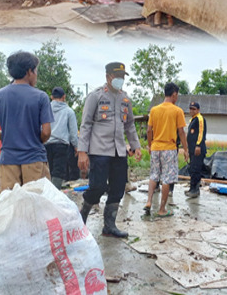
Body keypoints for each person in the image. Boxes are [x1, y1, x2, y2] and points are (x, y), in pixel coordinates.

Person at [78, 62, 142, 238]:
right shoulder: (95, 96)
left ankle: (109, 225)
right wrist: (82, 151)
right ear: (108, 77)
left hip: (119, 152)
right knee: (97, 187)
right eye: (117, 77)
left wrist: (135, 146)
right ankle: (80, 219)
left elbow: (129, 125)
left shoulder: (125, 99)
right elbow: (86, 125)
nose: (120, 80)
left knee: (118, 188)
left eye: (123, 77)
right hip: (99, 151)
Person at [0, 51, 53, 192]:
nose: (36, 75)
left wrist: (8, 136)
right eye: (35, 71)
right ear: (29, 71)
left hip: (8, 159)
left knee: (11, 205)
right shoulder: (41, 97)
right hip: (34, 159)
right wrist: (33, 138)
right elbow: (46, 132)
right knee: (37, 203)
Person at [144, 82, 189, 218]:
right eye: (177, 95)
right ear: (174, 94)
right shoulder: (177, 111)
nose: (177, 98)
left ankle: (149, 201)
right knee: (166, 179)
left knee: (153, 175)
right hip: (169, 148)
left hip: (156, 148)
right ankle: (162, 209)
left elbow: (148, 130)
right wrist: (186, 150)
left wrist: (150, 145)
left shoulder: (154, 110)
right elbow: (181, 132)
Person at [45, 87, 79, 188]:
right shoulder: (69, 112)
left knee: (49, 170)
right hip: (61, 145)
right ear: (64, 97)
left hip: (46, 144)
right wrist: (76, 146)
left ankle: (49, 192)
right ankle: (55, 193)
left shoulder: (45, 110)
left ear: (51, 97)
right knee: (58, 171)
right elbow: (73, 133)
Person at [186, 101, 207, 198]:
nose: (192, 110)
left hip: (198, 149)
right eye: (190, 108)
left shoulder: (200, 119)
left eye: (194, 109)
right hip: (192, 150)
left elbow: (201, 133)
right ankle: (192, 188)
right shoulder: (192, 120)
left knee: (196, 169)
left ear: (198, 110)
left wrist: (198, 145)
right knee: (192, 169)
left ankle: (195, 190)